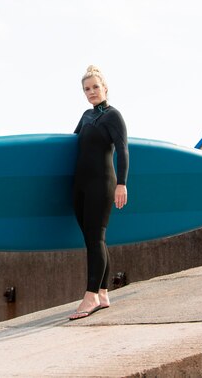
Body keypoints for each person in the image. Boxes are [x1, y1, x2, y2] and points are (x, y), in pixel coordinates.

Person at [69, 65, 129, 320]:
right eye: (86, 89)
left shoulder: (113, 116)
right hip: (81, 185)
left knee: (96, 238)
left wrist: (122, 184)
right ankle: (103, 293)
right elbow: (71, 144)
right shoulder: (86, 116)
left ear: (104, 88)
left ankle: (91, 295)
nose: (91, 92)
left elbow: (123, 150)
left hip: (102, 184)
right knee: (93, 240)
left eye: (95, 87)